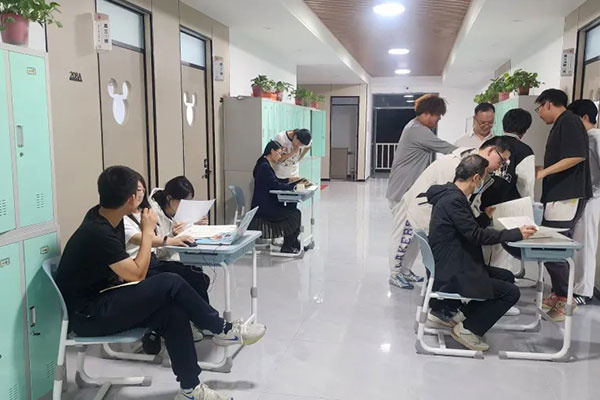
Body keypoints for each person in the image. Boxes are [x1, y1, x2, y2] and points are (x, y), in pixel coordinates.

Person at [55, 165, 266, 400]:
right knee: (171, 281)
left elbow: (125, 272)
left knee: (173, 312)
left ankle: (190, 390)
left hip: (105, 296)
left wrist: (158, 235)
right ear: (131, 198)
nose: (142, 195)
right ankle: (223, 329)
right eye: (138, 191)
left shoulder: (104, 216)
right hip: (88, 315)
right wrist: (147, 231)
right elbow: (137, 274)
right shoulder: (98, 232)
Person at [425, 155, 536, 351]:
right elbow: (476, 236)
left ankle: (465, 318)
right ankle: (468, 330)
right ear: (476, 178)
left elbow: (468, 229)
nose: (484, 182)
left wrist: (485, 217)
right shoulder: (454, 200)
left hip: (452, 263)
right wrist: (516, 233)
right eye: (484, 178)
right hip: (453, 272)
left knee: (507, 276)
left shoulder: (449, 195)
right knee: (511, 293)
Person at [388, 136, 511, 289]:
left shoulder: (480, 169)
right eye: (501, 161)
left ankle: (406, 271)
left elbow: (471, 199)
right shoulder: (456, 163)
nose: (500, 167)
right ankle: (395, 273)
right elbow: (449, 196)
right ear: (491, 150)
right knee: (405, 240)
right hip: (418, 206)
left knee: (419, 244)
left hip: (434, 211)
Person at [125, 174, 211, 344]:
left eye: (142, 190)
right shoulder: (131, 218)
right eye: (136, 191)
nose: (139, 195)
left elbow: (157, 240)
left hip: (154, 260)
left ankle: (203, 321)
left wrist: (193, 226)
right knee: (184, 280)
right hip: (143, 264)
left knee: (196, 275)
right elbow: (151, 242)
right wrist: (171, 238)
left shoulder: (144, 212)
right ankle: (207, 322)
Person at [386, 94, 457, 287]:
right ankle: (395, 273)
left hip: (413, 191)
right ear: (427, 113)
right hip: (404, 191)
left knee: (415, 234)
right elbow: (445, 147)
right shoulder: (417, 130)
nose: (438, 120)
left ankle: (405, 270)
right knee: (402, 233)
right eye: (437, 116)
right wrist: (474, 154)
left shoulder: (416, 128)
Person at [535, 89, 592, 321]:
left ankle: (566, 299)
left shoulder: (569, 121)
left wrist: (545, 172)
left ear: (548, 104)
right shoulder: (562, 123)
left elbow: (577, 155)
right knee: (550, 245)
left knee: (553, 246)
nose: (539, 114)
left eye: (539, 108)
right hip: (558, 194)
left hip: (566, 195)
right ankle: (560, 294)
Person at [479, 109, 536, 271]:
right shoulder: (525, 151)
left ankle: (481, 278)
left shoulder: (489, 144)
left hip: (482, 206)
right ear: (525, 130)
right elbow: (526, 185)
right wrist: (529, 211)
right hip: (507, 209)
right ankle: (499, 281)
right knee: (501, 253)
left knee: (481, 247)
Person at [568, 99, 600, 305]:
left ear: (585, 117)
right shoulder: (585, 138)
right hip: (584, 196)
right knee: (579, 241)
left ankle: (584, 291)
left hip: (594, 197)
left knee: (586, 243)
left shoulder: (596, 138)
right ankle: (576, 287)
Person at [249, 141, 306, 253]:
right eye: (279, 153)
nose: (280, 157)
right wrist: (294, 185)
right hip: (265, 208)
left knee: (292, 210)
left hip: (267, 205)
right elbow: (275, 185)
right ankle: (288, 245)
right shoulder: (264, 167)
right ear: (272, 151)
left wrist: (289, 180)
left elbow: (274, 181)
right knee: (294, 214)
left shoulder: (264, 164)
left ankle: (292, 242)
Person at [149, 176, 207, 261]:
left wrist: (196, 224)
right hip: (163, 261)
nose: (186, 206)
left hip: (178, 257)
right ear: (169, 198)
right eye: (183, 201)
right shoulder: (152, 214)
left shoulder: (176, 209)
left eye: (189, 201)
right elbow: (156, 253)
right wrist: (172, 236)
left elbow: (185, 229)